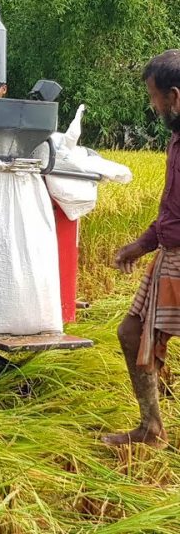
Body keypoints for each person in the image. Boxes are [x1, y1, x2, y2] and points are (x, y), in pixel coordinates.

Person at [102, 49, 180, 448]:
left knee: (135, 332)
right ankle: (152, 428)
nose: (153, 106)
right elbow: (171, 211)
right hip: (171, 254)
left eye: (154, 97)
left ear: (175, 97)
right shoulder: (176, 141)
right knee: (132, 332)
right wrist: (140, 246)